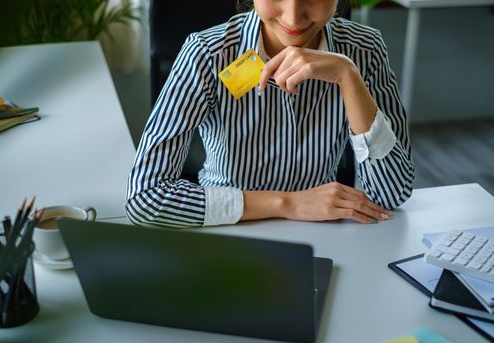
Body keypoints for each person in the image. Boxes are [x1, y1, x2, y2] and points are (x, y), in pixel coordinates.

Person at [126, 0, 414, 228]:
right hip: (228, 229)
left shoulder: (364, 50)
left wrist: (347, 75)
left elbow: (392, 193)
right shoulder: (207, 53)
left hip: (323, 234)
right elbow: (146, 198)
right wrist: (288, 203)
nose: (292, 16)